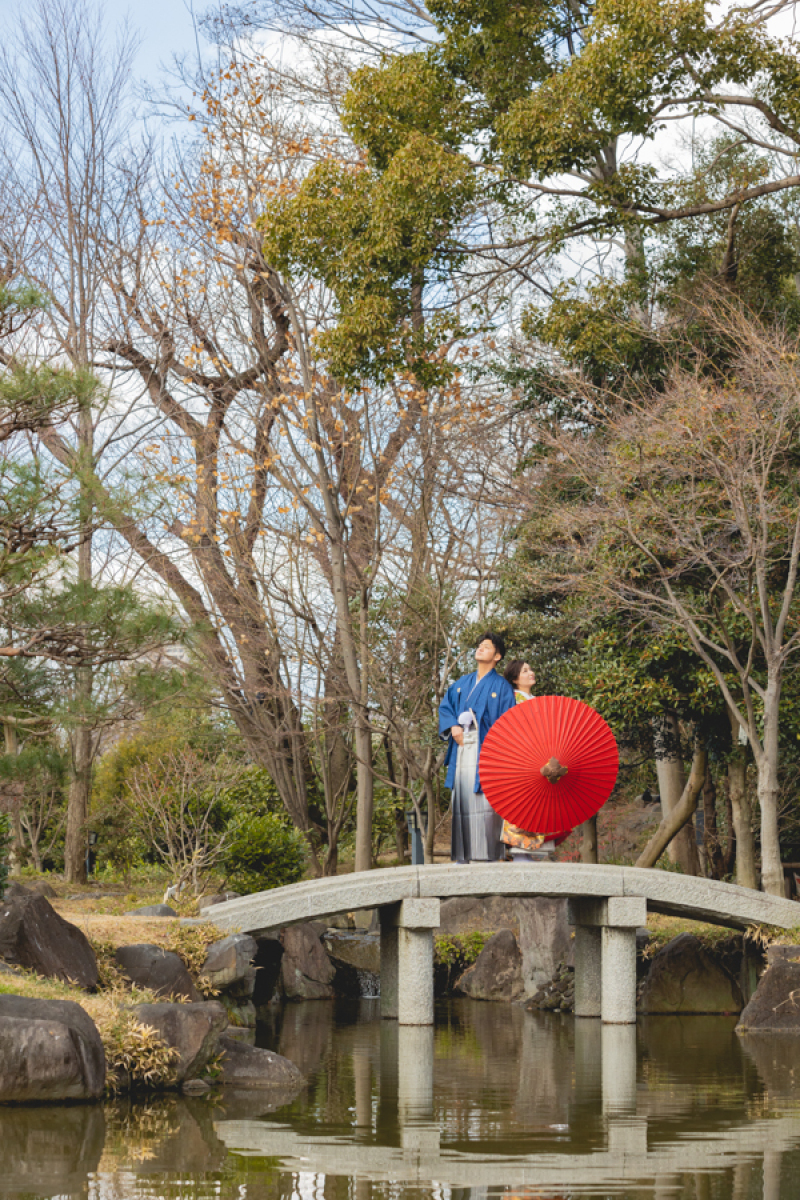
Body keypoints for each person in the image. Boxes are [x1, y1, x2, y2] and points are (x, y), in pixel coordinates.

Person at [439, 632, 516, 863]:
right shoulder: (462, 683)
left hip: (488, 751)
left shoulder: (501, 687)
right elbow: (446, 708)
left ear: (498, 656)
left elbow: (509, 723)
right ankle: (463, 857)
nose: (480, 649)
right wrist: (453, 726)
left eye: (487, 646)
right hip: (462, 747)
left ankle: (487, 856)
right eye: (479, 646)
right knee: (462, 798)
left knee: (485, 800)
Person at [499, 659, 556, 862]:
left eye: (530, 669)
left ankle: (536, 849)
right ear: (515, 678)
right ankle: (520, 850)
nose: (531, 672)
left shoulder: (535, 699)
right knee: (522, 802)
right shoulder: (512, 699)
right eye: (525, 671)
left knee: (539, 802)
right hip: (521, 756)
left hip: (540, 756)